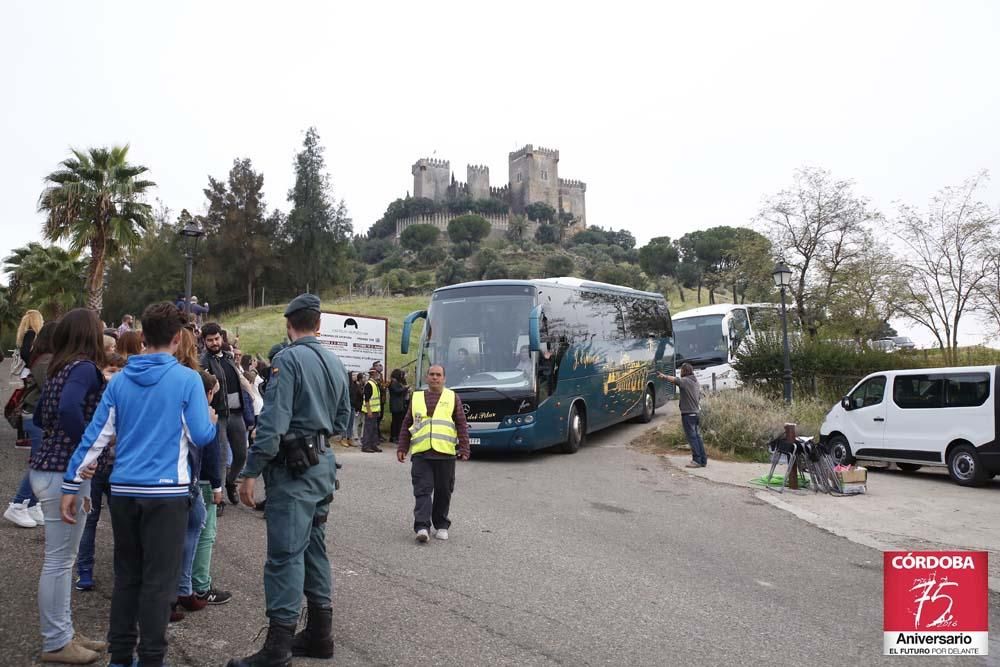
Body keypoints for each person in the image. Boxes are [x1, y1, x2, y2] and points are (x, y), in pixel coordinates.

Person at [61, 302, 217, 667]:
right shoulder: (188, 380)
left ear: (143, 337)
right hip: (168, 494)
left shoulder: (119, 381)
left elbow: (96, 437)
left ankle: (120, 658)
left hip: (125, 491)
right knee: (159, 584)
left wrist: (71, 483)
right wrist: (210, 420)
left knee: (127, 577)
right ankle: (150, 659)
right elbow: (200, 435)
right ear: (178, 339)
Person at [229, 294, 349, 667]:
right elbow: (344, 420)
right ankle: (319, 635)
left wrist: (249, 472)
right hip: (323, 466)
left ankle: (278, 649)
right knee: (314, 547)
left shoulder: (288, 360)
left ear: (288, 324)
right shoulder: (334, 361)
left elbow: (272, 425)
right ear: (318, 323)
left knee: (284, 555)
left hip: (294, 472)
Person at [29, 308, 108, 664]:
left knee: (62, 559)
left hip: (47, 468)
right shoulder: (85, 369)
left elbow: (44, 415)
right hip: (66, 474)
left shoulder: (60, 369)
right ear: (91, 335)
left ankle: (64, 632)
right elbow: (68, 411)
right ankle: (57, 641)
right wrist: (85, 451)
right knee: (60, 561)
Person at [396, 365, 471, 543]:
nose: (435, 378)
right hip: (422, 454)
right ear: (426, 377)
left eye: (438, 375)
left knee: (444, 492)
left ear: (444, 378)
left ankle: (441, 525)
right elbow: (408, 423)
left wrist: (464, 448)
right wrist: (402, 447)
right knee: (422, 490)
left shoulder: (452, 397)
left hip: (445, 453)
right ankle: (422, 527)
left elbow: (461, 424)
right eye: (432, 374)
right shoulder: (417, 397)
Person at [172, 370, 225, 620]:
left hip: (182, 479)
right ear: (209, 392)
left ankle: (183, 587)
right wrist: (217, 486)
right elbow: (211, 451)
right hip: (198, 481)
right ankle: (198, 586)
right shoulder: (204, 414)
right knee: (204, 534)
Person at [75, 353, 127, 593]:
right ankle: (84, 570)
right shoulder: (93, 397)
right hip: (93, 470)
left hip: (119, 469)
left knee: (122, 523)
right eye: (109, 369)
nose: (112, 374)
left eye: (118, 370)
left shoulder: (125, 397)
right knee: (88, 519)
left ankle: (122, 570)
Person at [3, 321, 56, 528]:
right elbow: (50, 389)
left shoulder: (45, 359)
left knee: (40, 462)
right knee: (39, 464)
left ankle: (31, 504)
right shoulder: (45, 361)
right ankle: (17, 504)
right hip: (35, 415)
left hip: (37, 415)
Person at [201, 322, 248, 505]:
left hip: (236, 413)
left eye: (216, 338)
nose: (214, 343)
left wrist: (252, 395)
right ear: (204, 341)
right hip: (219, 414)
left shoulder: (228, 358)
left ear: (222, 338)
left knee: (241, 454)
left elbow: (240, 379)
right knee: (220, 456)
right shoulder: (204, 362)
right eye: (210, 340)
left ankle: (230, 482)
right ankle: (218, 497)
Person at [657, 362, 707, 468]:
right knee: (698, 437)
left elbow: (675, 380)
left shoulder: (686, 381)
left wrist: (664, 376)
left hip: (688, 415)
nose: (680, 373)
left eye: (681, 370)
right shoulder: (696, 382)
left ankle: (696, 460)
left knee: (692, 438)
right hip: (696, 413)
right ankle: (703, 460)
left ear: (684, 371)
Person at [13, 309, 44, 447]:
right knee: (28, 403)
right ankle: (23, 436)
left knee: (26, 402)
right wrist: (35, 364)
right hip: (30, 373)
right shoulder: (32, 333)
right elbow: (26, 353)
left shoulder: (26, 334)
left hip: (28, 372)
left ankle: (23, 436)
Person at [360, 368, 382, 453]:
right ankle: (366, 446)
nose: (378, 375)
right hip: (370, 411)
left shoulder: (375, 384)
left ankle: (373, 445)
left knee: (374, 429)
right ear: (373, 374)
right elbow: (367, 400)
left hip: (375, 410)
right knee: (368, 429)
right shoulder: (369, 384)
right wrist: (369, 411)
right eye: (377, 373)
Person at [388, 369, 409, 444]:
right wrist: (405, 388)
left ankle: (395, 436)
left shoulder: (397, 382)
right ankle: (394, 436)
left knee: (397, 421)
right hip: (396, 405)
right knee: (396, 422)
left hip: (398, 404)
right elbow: (397, 391)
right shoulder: (393, 383)